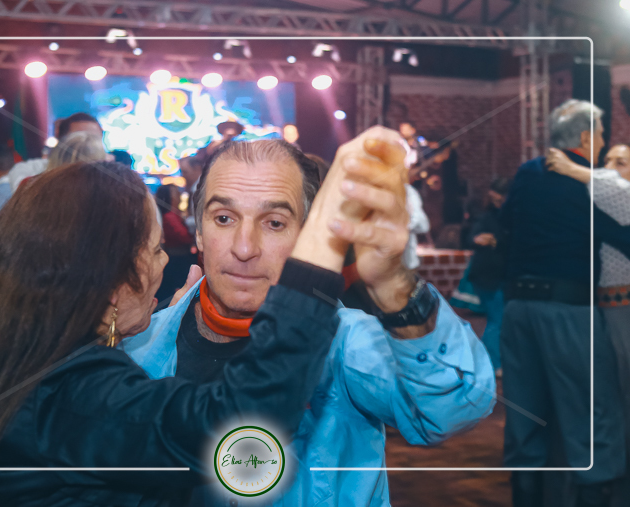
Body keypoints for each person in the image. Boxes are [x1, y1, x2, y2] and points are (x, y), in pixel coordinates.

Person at [0, 159, 371, 507]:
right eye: (156, 250)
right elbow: (243, 428)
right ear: (110, 282)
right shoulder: (75, 392)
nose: (164, 266)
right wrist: (321, 248)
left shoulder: (5, 355)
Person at [121, 129, 496, 506]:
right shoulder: (139, 346)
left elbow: (453, 407)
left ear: (307, 238)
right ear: (199, 232)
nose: (244, 247)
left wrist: (393, 284)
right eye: (224, 218)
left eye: (274, 223)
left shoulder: (343, 341)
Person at [500, 99, 630, 507]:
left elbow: (506, 228)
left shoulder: (527, 173)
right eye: (602, 136)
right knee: (592, 417)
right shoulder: (591, 182)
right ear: (586, 138)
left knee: (525, 418)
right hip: (568, 309)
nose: (603, 143)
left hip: (518, 308)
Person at [547, 143, 630, 500]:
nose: (610, 167)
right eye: (607, 160)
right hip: (596, 308)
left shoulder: (619, 194)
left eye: (621, 162)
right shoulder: (598, 198)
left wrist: (575, 170)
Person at [467, 177, 510, 374]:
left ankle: (491, 361)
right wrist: (484, 240)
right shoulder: (491, 216)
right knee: (496, 320)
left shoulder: (500, 215)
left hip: (494, 274)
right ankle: (492, 363)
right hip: (490, 275)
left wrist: (494, 241)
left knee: (497, 320)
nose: (498, 201)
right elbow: (472, 237)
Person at [7, 113, 105, 192]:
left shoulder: (109, 175)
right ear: (60, 139)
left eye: (94, 138)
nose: (87, 143)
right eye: (78, 137)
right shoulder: (30, 170)